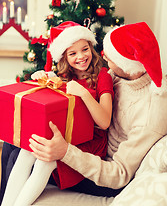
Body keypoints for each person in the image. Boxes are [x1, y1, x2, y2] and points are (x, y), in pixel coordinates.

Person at [28, 22, 167, 193]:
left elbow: (118, 174)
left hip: (105, 173)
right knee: (14, 147)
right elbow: (83, 80)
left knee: (27, 158)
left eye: (110, 57)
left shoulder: (149, 114)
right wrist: (50, 76)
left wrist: (65, 152)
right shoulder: (123, 75)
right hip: (87, 143)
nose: (103, 56)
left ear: (125, 63)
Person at [0, 21, 114, 206]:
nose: (81, 57)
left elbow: (105, 122)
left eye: (85, 49)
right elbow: (50, 110)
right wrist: (43, 81)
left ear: (91, 48)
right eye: (73, 53)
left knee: (45, 162)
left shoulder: (103, 75)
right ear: (64, 57)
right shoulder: (64, 77)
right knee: (28, 151)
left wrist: (83, 93)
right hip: (66, 137)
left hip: (89, 143)